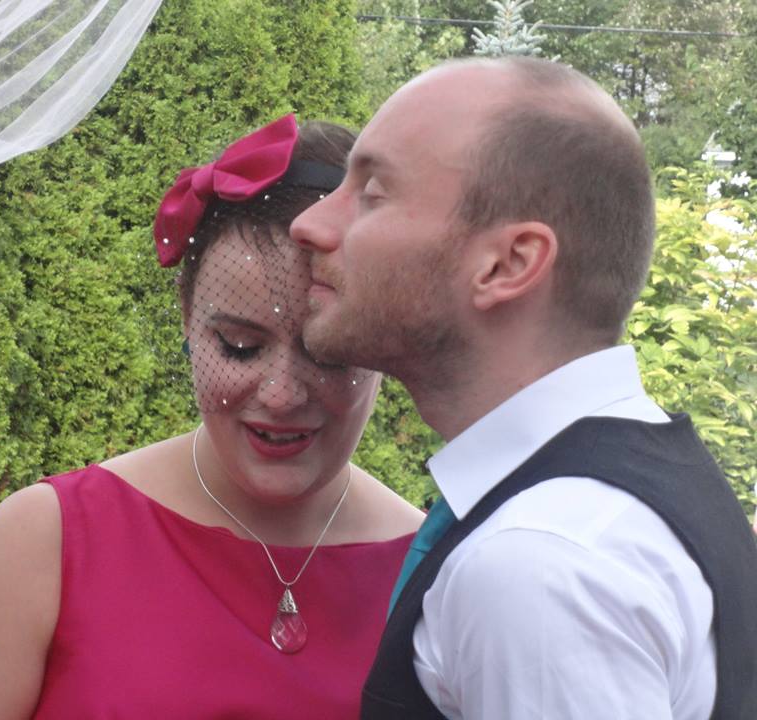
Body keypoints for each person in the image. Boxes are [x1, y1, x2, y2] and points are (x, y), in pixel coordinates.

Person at [0, 114, 422, 719]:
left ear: (383, 340)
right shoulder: (47, 539)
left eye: (327, 353)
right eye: (239, 346)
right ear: (186, 317)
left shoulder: (435, 578)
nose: (282, 394)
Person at [290, 57, 757, 719]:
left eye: (372, 193)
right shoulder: (630, 484)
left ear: (507, 265)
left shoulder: (539, 564)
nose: (308, 225)